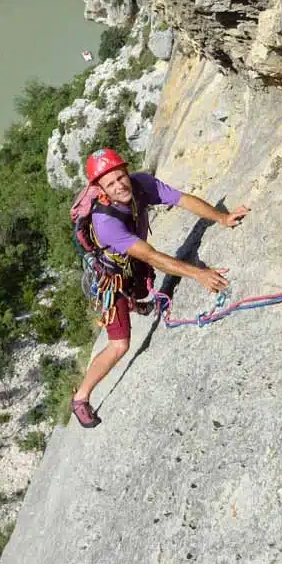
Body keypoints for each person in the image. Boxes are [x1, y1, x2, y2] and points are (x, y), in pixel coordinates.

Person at [71, 148, 250, 428]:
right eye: (110, 184)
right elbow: (152, 255)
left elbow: (182, 200)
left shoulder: (142, 184)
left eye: (121, 177)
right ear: (100, 190)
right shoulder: (105, 222)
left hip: (133, 261)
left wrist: (221, 218)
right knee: (120, 345)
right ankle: (80, 398)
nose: (119, 186)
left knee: (144, 286)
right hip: (112, 278)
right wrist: (199, 274)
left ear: (127, 172)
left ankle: (136, 300)